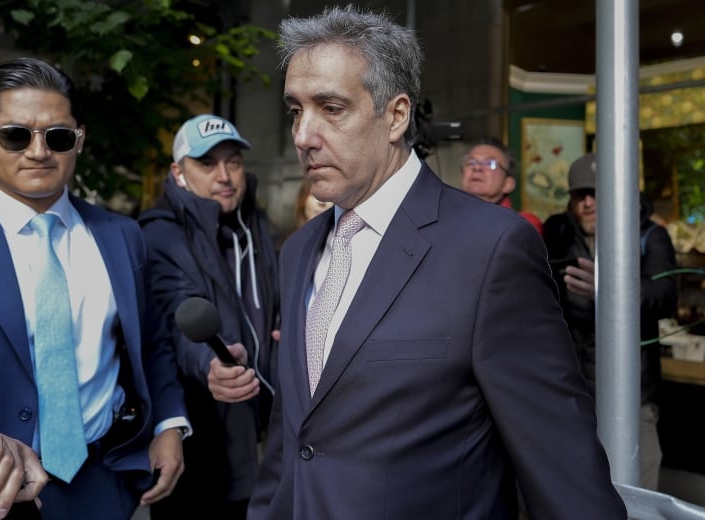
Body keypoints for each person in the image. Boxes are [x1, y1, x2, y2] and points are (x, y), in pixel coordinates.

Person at [247, 6, 627, 519]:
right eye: (296, 110)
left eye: (331, 108)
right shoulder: (297, 251)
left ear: (396, 116)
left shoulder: (491, 249)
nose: (302, 135)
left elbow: (562, 466)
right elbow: (294, 438)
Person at [0, 57, 190, 520]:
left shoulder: (121, 236)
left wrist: (169, 423)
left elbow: (151, 341)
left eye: (58, 137)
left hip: (104, 480)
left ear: (79, 140)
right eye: (15, 134)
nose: (38, 151)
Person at [138, 114, 279, 519]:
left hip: (263, 438)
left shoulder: (255, 226)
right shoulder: (160, 234)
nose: (225, 176)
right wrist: (210, 365)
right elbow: (175, 318)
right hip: (202, 444)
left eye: (233, 162)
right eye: (207, 163)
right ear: (178, 173)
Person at [543, 153, 678, 490]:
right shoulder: (558, 233)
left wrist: (610, 290)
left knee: (636, 493)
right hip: (571, 391)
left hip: (632, 392)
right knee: (571, 492)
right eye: (579, 195)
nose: (588, 203)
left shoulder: (648, 235)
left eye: (596, 193)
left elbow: (665, 295)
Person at [460, 136, 543, 234]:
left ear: (508, 184)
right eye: (471, 162)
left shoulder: (523, 223)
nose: (477, 168)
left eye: (490, 163)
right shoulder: (446, 217)